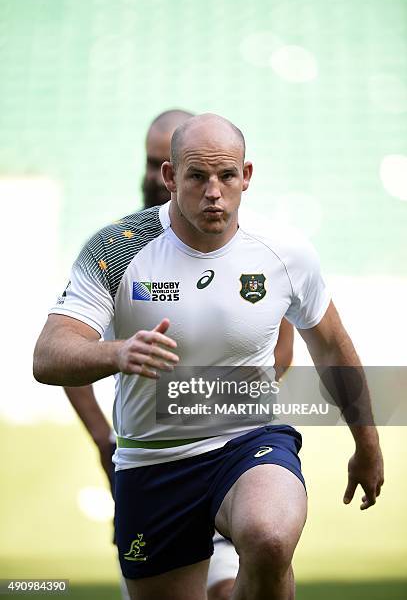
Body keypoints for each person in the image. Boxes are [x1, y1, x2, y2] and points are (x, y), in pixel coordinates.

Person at [34, 113, 383, 600]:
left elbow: (330, 348)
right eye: (197, 176)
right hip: (152, 464)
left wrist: (367, 443)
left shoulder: (285, 252)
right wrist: (118, 352)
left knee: (270, 535)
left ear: (247, 176)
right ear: (171, 178)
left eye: (226, 175)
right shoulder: (115, 247)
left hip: (248, 444)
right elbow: (48, 355)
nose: (214, 191)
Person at [63, 109, 295, 600]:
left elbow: (281, 349)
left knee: (246, 565)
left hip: (231, 460)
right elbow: (65, 354)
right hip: (153, 465)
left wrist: (220, 412)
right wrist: (105, 442)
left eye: (160, 163)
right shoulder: (122, 249)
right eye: (148, 163)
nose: (151, 175)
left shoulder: (261, 251)